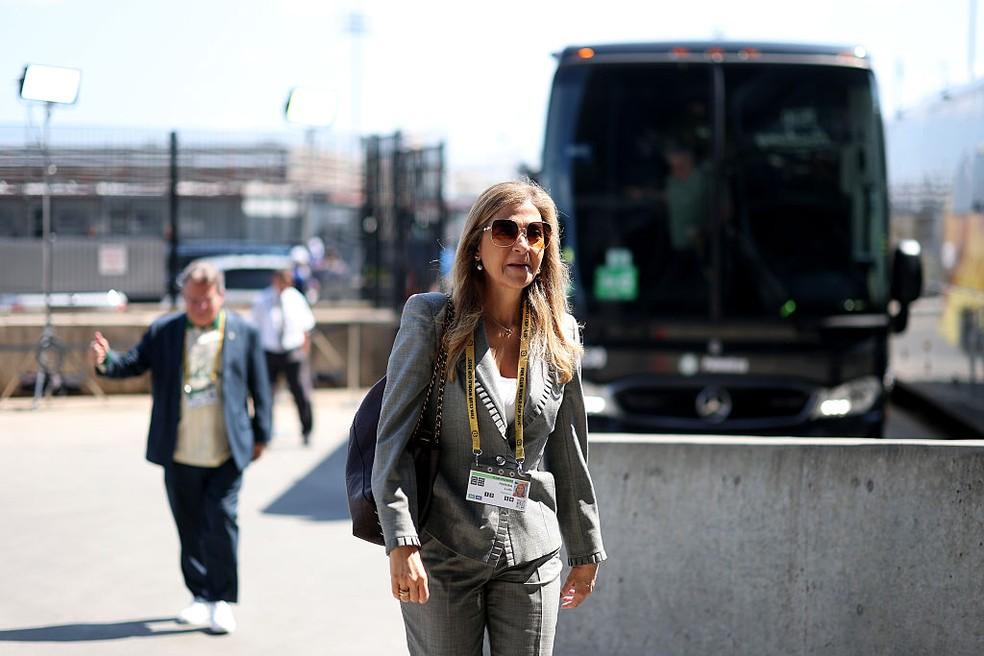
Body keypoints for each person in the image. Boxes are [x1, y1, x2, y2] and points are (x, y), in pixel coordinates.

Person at [372, 180, 607, 656]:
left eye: (537, 233)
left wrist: (585, 549)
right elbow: (391, 440)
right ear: (477, 244)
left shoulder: (559, 336)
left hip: (531, 550)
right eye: (506, 230)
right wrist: (401, 541)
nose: (523, 244)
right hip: (443, 545)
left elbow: (569, 452)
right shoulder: (433, 321)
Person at [88, 261, 271, 636]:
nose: (199, 307)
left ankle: (221, 600)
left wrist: (262, 434)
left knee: (220, 520)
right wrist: (106, 361)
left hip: (226, 449)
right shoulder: (166, 331)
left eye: (205, 300)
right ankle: (200, 595)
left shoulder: (243, 332)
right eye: (191, 300)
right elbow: (132, 364)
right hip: (180, 450)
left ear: (220, 296)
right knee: (189, 527)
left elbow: (260, 387)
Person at [252, 267, 316, 445]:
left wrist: (304, 350)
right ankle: (266, 431)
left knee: (301, 391)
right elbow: (255, 328)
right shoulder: (262, 300)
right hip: (269, 352)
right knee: (266, 394)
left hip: (292, 351)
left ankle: (307, 430)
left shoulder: (295, 298)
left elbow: (307, 326)